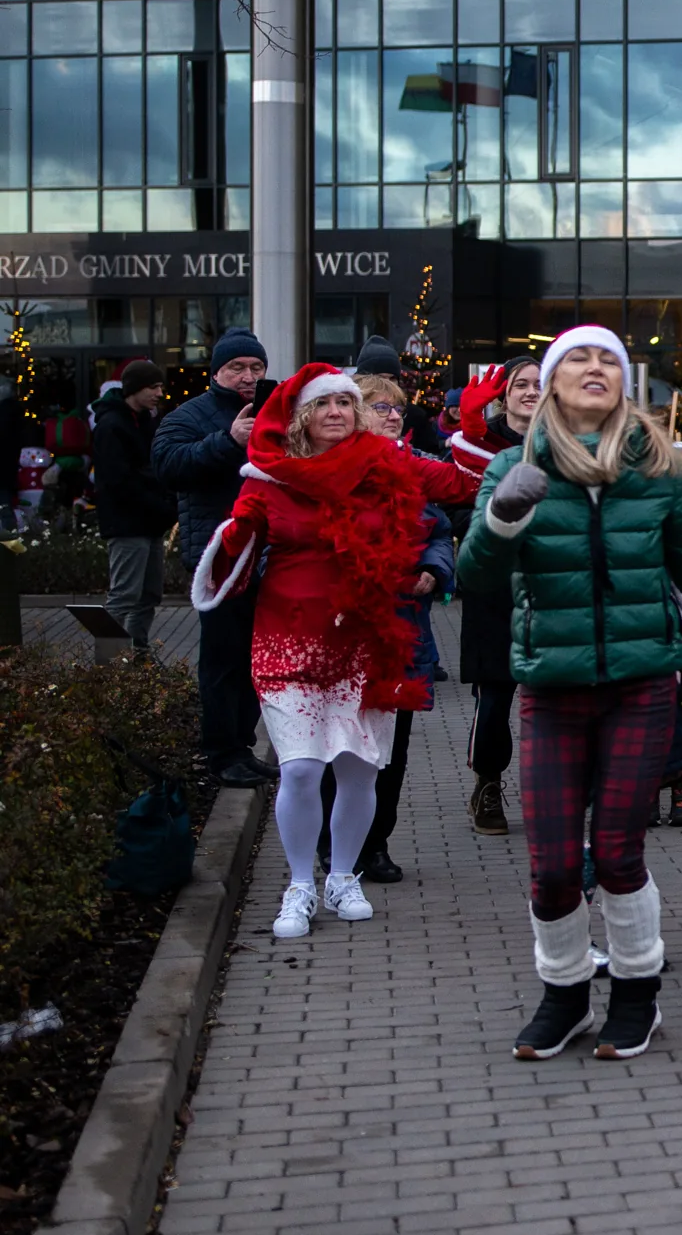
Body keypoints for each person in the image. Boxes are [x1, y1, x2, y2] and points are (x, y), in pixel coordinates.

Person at [458, 325, 682, 1061]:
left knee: (619, 853)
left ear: (624, 384)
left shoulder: (657, 473)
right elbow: (476, 578)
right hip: (552, 690)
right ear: (552, 384)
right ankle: (563, 996)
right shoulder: (511, 467)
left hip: (642, 687)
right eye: (577, 360)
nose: (594, 369)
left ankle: (636, 994)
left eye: (608, 362)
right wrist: (502, 520)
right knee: (555, 862)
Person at [191, 365, 479, 941]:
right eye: (324, 405)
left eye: (347, 405)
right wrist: (233, 536)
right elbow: (232, 558)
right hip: (289, 637)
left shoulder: (389, 463)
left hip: (366, 640)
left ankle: (342, 875)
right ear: (301, 417)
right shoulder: (269, 476)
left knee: (357, 768)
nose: (336, 413)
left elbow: (461, 484)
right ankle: (300, 882)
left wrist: (519, 452)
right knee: (300, 768)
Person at [320, 372, 457, 885]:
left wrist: (434, 569)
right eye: (380, 407)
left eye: (396, 408)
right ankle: (332, 845)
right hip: (338, 633)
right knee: (337, 746)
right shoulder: (325, 471)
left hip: (400, 632)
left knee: (389, 751)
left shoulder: (411, 470)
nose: (394, 415)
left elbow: (438, 532)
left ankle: (375, 843)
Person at [153, 329, 272, 786]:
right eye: (237, 367)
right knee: (223, 660)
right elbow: (168, 465)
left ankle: (242, 745)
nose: (247, 376)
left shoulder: (275, 410)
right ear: (217, 372)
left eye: (255, 368)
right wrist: (229, 439)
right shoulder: (189, 414)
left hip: (268, 555)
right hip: (219, 558)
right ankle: (221, 753)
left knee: (256, 659)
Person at [449, 355, 542, 836]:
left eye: (539, 384)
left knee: (554, 697)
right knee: (496, 695)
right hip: (495, 589)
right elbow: (458, 508)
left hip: (551, 586)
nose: (530, 391)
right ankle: (487, 784)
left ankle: (557, 791)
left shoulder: (565, 442)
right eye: (520, 384)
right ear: (502, 395)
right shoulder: (476, 447)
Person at [91, 360, 176, 655]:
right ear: (134, 389)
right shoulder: (112, 426)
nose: (159, 393)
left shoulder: (146, 421)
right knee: (125, 595)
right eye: (153, 387)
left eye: (160, 386)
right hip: (127, 524)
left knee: (149, 594)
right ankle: (106, 664)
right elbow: (119, 481)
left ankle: (136, 652)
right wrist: (162, 507)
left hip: (148, 522)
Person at [353, 335, 447, 455]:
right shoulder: (346, 415)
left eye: (392, 378)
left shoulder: (415, 416)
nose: (395, 417)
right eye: (380, 378)